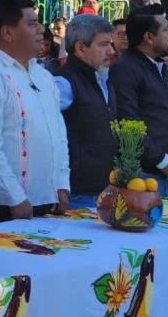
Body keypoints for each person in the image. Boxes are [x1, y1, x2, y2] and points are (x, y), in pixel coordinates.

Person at [0, 0, 70, 224]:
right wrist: (14, 198)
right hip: (5, 208)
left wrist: (62, 184)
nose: (41, 30)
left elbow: (58, 136)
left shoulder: (44, 77)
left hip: (49, 202)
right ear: (8, 33)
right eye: (32, 23)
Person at [109, 5, 168, 195]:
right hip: (141, 177)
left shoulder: (158, 67)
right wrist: (162, 160)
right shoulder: (125, 70)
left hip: (164, 171)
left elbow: (166, 116)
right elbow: (128, 125)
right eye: (165, 29)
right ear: (149, 37)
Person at [55, 14, 116, 208]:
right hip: (78, 194)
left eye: (111, 43)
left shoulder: (104, 79)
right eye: (104, 44)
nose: (111, 51)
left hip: (105, 189)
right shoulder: (63, 84)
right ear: (81, 47)